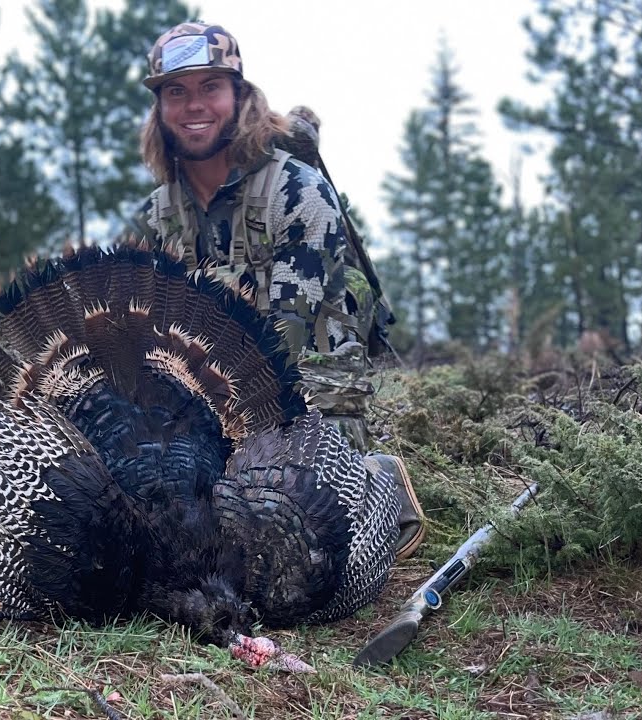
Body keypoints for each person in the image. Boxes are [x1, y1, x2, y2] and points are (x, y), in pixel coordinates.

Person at [130, 21, 425, 560]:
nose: (194, 105)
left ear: (238, 97)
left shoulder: (298, 190)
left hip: (304, 387)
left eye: (210, 88)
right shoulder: (157, 217)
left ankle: (373, 480)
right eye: (177, 91)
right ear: (161, 109)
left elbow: (284, 335)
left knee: (292, 537)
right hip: (208, 391)